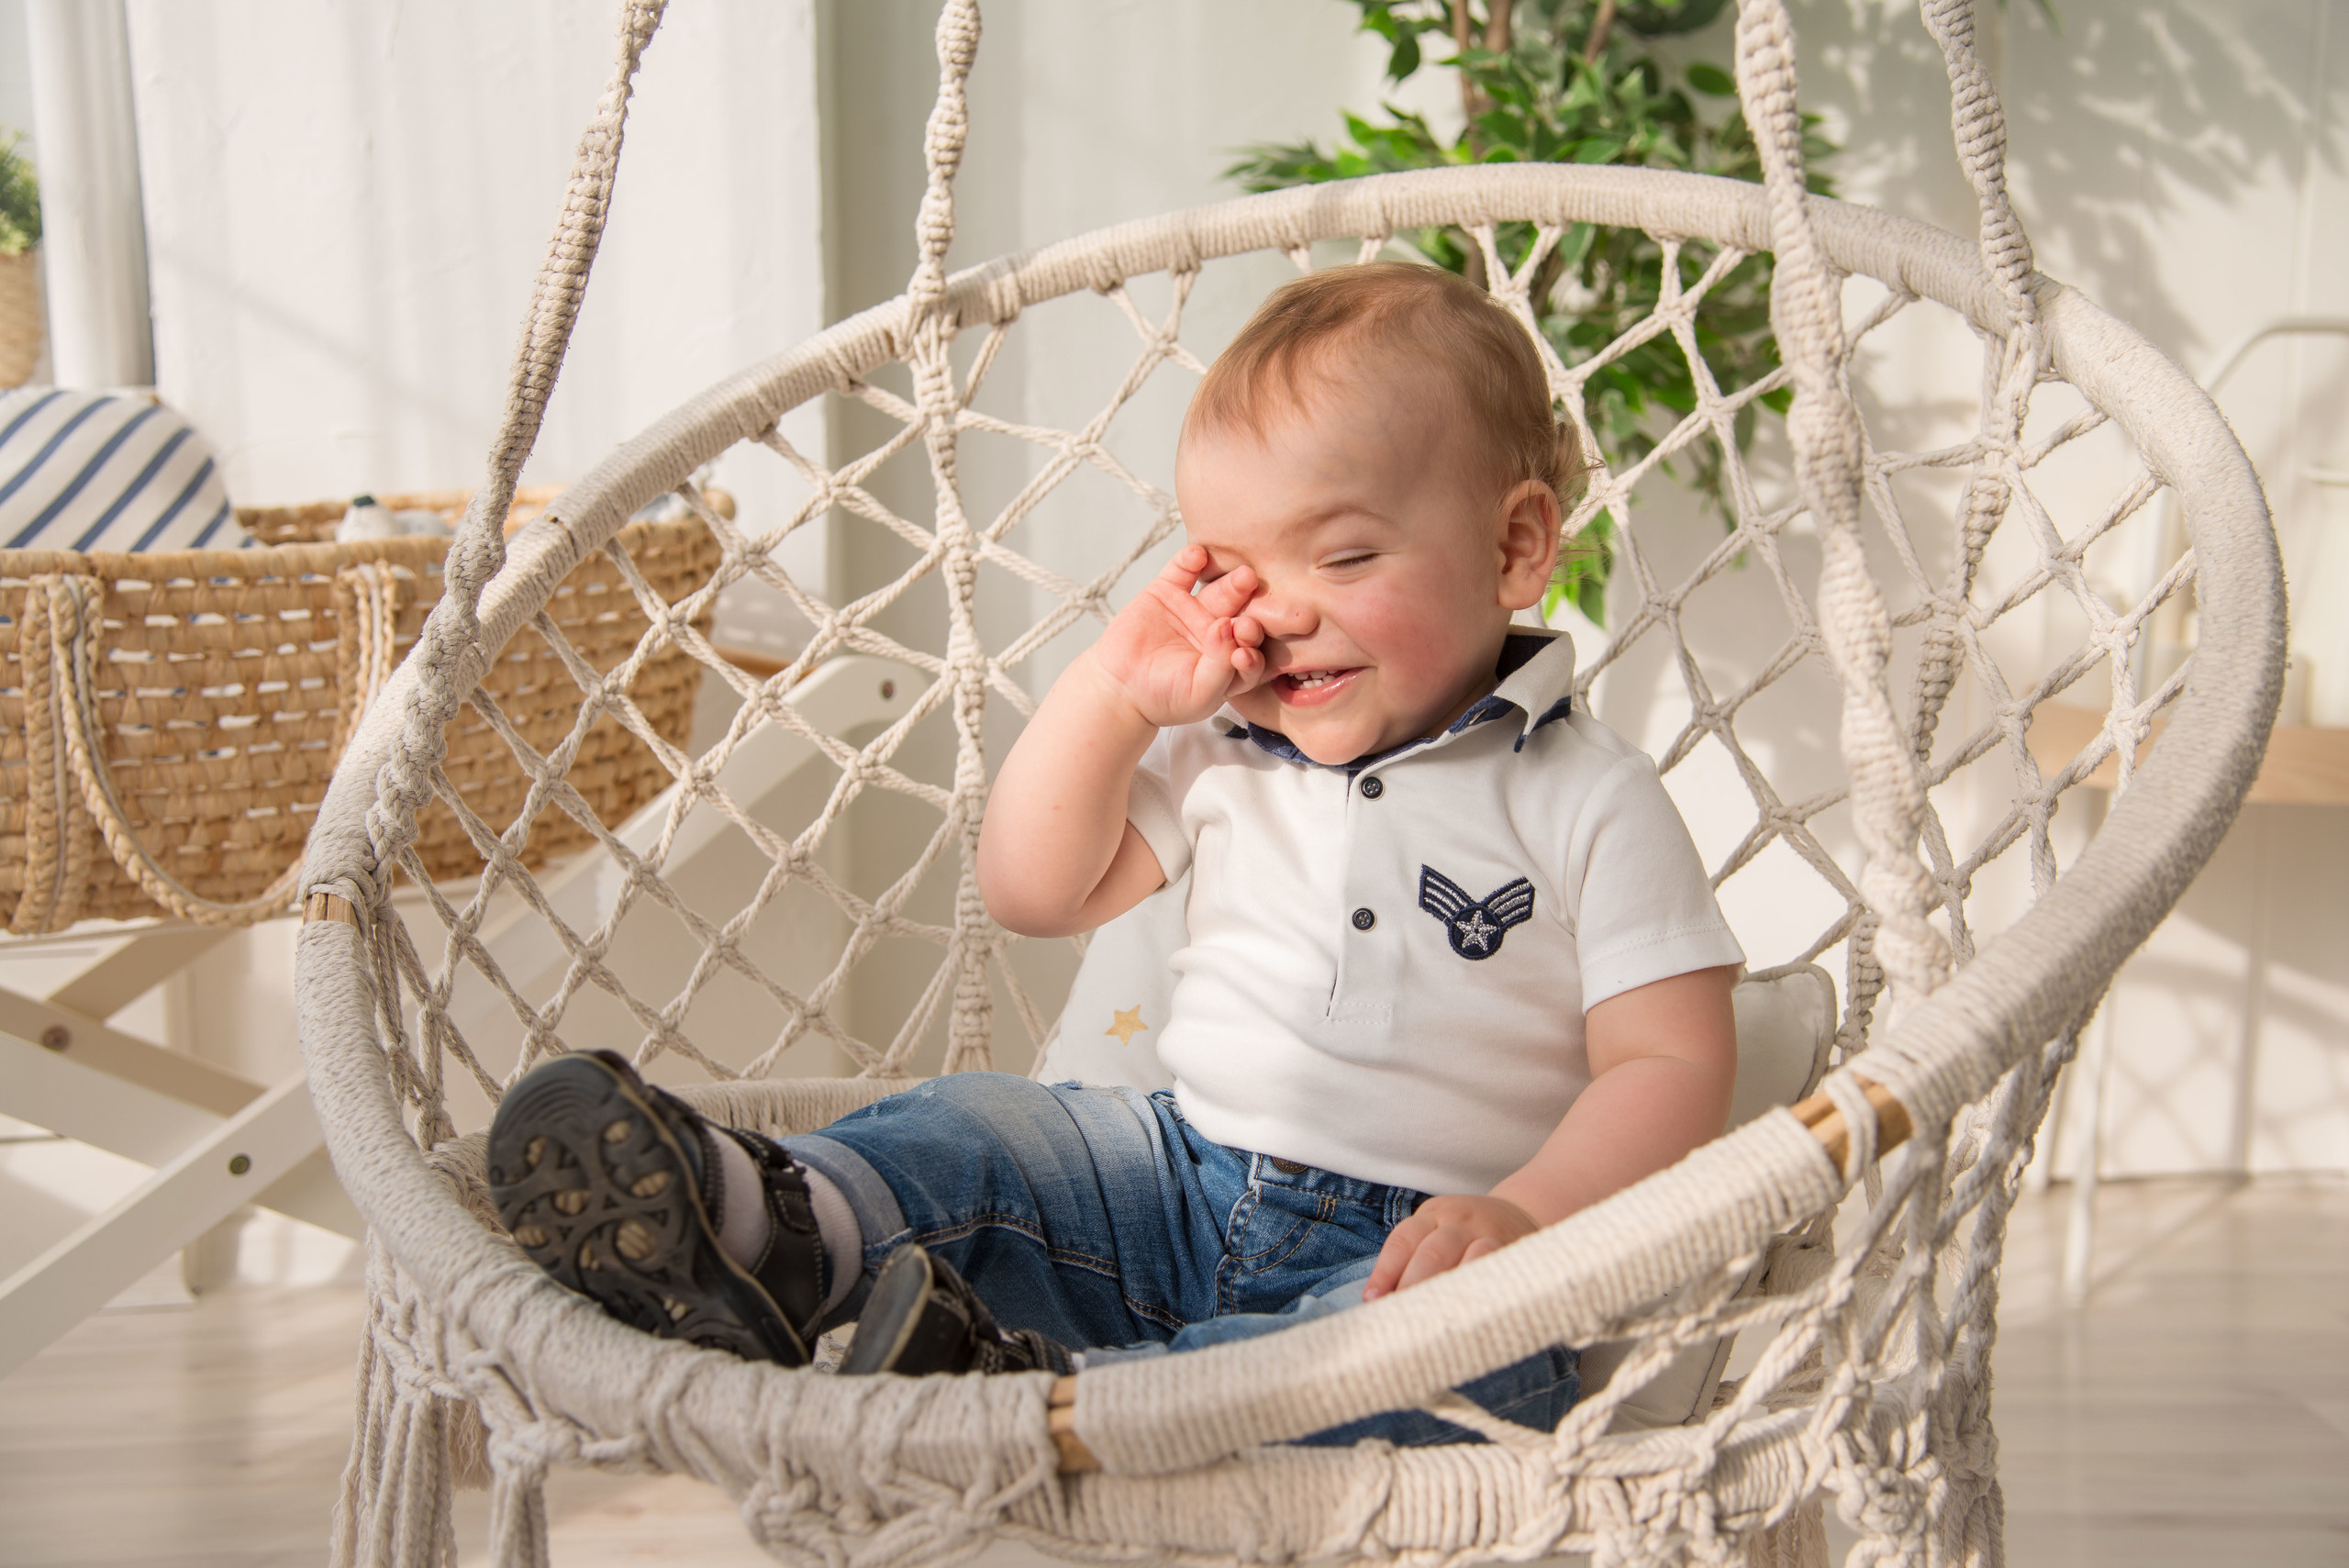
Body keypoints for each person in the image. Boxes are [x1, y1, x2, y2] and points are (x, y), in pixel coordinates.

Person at [487, 262, 1743, 1444]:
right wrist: (1118, 690)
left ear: (1517, 546)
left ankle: (1033, 1394)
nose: (1284, 611)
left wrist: (1526, 1218)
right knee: (987, 1126)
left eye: (1345, 555)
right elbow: (1035, 890)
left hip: (1413, 1253)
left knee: (1482, 1363)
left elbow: (1671, 1059)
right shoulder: (1224, 751)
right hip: (1171, 1182)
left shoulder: (1589, 800)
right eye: (1237, 571)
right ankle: (772, 1224)